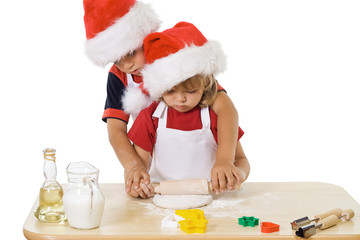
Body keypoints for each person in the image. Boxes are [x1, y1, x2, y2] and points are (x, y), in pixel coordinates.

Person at [83, 0, 240, 198]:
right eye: (116, 60)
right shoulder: (118, 76)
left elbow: (225, 108)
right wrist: (133, 167)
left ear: (144, 36)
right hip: (151, 153)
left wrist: (225, 160)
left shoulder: (174, 59)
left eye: (131, 52)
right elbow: (115, 130)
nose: (127, 65)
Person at [126, 22, 250, 198]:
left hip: (212, 203)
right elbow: (140, 168)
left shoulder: (214, 117)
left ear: (205, 84)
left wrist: (235, 174)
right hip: (162, 204)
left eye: (191, 91)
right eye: (170, 91)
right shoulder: (150, 118)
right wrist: (138, 184)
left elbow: (242, 161)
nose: (181, 99)